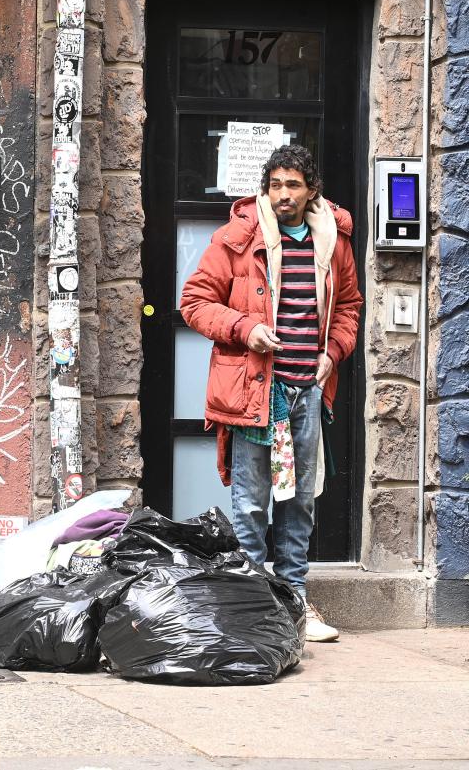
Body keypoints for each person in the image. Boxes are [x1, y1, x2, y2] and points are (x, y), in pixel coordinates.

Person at [180, 144, 363, 643]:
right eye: (276, 185)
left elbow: (348, 305)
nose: (284, 195)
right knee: (252, 501)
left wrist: (335, 353)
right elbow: (194, 301)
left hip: (308, 390)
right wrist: (244, 328)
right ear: (266, 188)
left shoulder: (333, 240)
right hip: (255, 390)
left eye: (294, 185)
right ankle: (251, 602)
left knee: (300, 501)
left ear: (311, 190)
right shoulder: (238, 237)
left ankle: (294, 603)